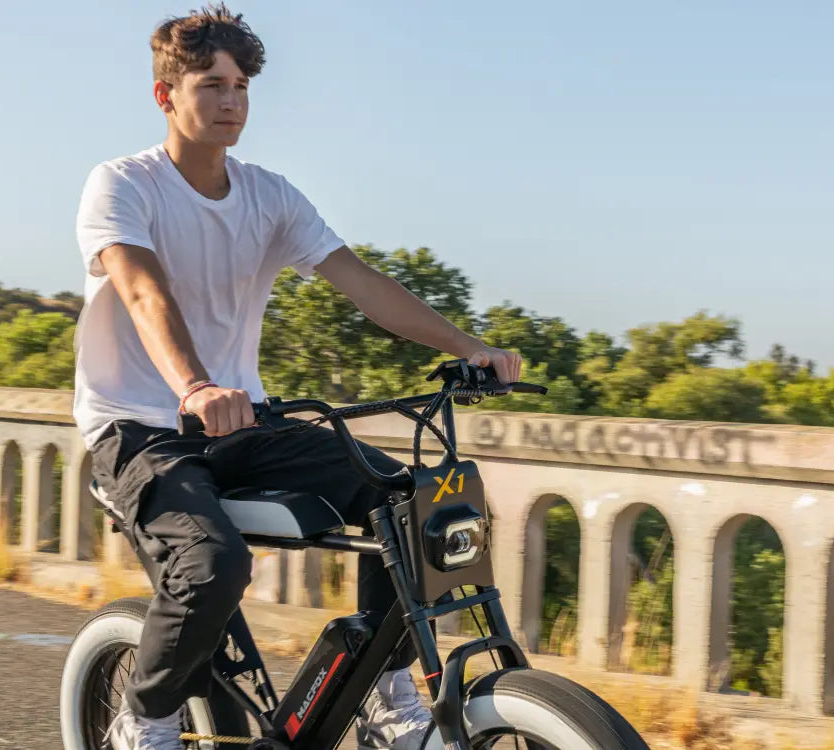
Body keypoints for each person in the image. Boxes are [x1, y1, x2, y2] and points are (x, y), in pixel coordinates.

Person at [73, 5, 522, 749]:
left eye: (242, 87)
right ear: (166, 96)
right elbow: (143, 290)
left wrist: (469, 345)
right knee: (214, 565)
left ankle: (383, 690)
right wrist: (193, 386)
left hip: (242, 422)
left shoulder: (270, 196)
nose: (230, 102)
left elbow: (364, 283)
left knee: (415, 504)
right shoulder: (123, 185)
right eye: (211, 84)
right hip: (140, 428)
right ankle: (145, 717)